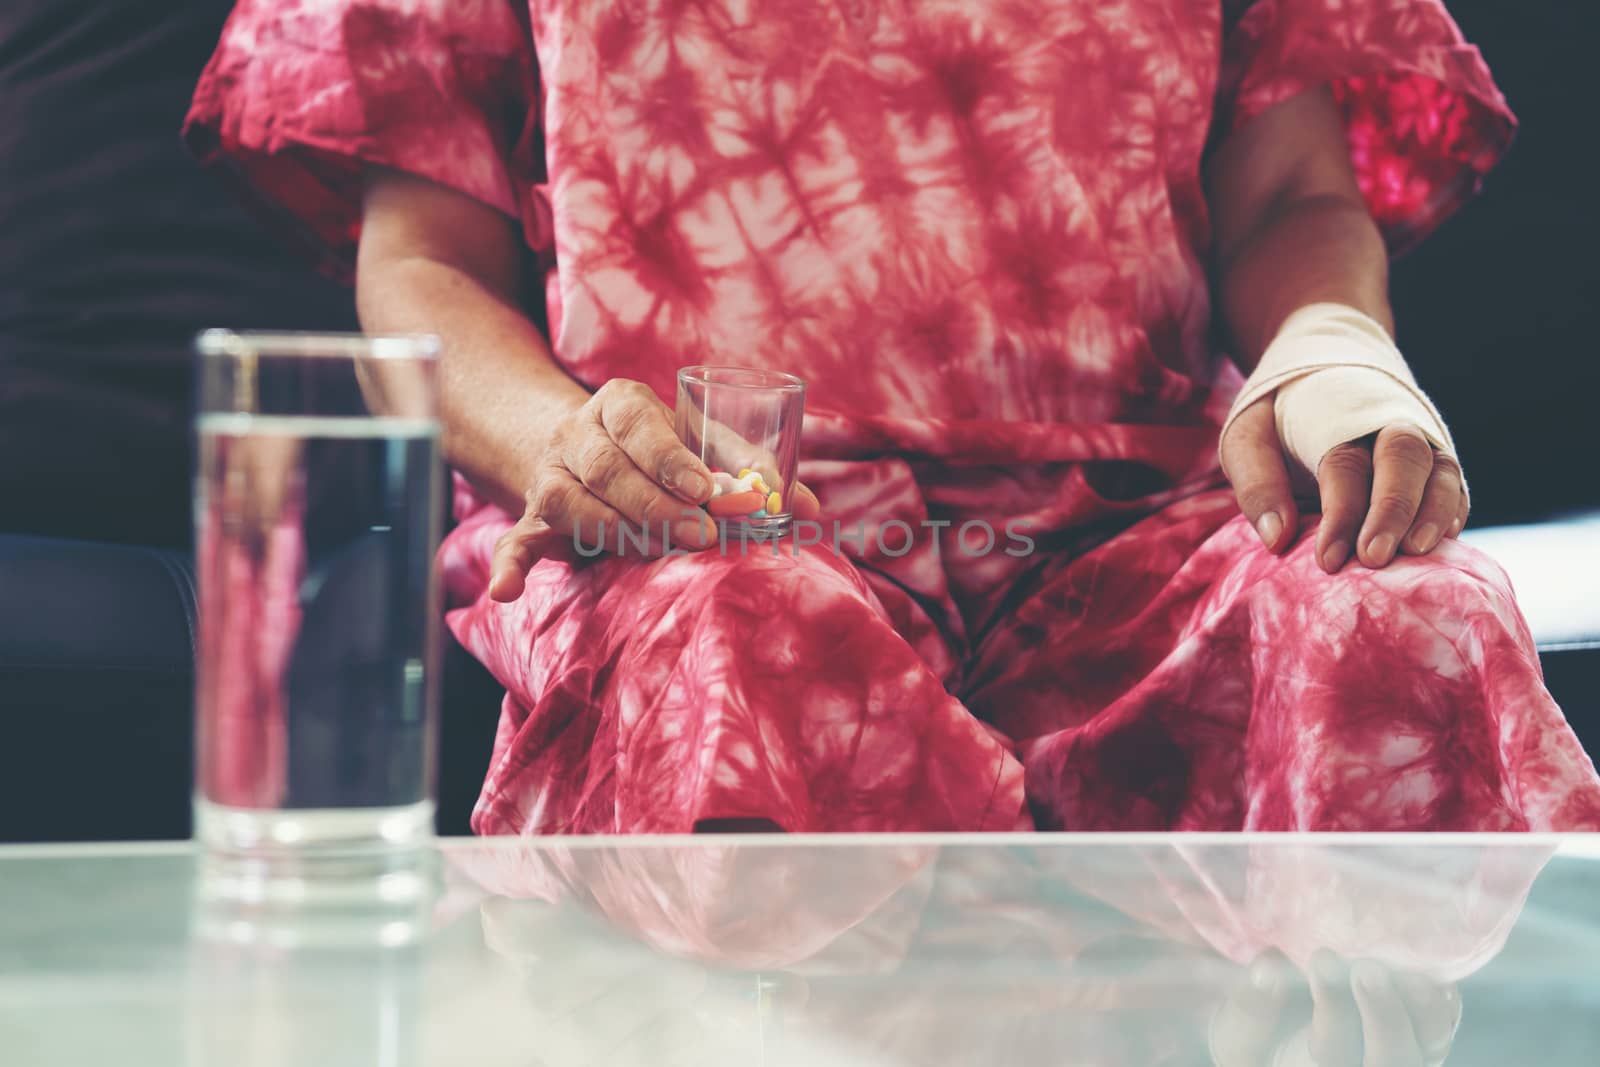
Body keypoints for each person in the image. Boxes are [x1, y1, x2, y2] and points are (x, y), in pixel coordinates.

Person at [186, 0, 1600, 834]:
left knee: (1410, 613)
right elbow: (426, 264)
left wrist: (1332, 342)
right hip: (701, 513)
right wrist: (566, 442)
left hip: (1148, 513)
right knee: (742, 645)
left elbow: (1290, 199)